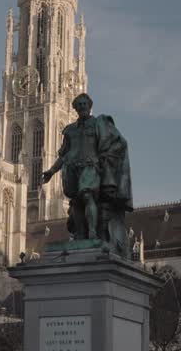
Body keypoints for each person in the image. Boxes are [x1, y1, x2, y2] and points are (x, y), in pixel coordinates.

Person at [42, 93, 133, 254]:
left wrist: (107, 159)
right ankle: (80, 234)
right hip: (72, 168)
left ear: (90, 106)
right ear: (75, 108)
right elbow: (63, 155)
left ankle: (92, 231)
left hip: (90, 167)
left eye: (85, 104)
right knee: (76, 202)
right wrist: (51, 171)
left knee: (87, 195)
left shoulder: (98, 123)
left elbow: (119, 142)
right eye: (79, 105)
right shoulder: (69, 130)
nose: (82, 107)